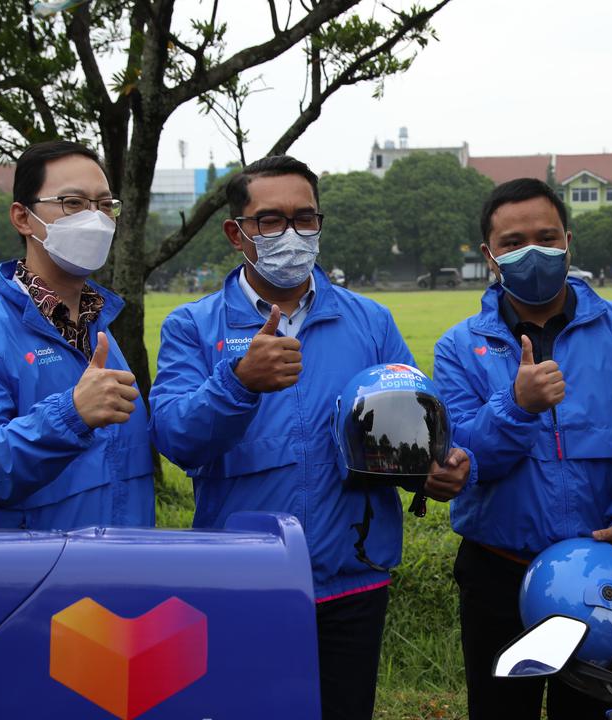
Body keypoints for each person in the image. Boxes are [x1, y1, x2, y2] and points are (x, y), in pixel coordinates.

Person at [148, 155, 471, 720]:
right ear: (236, 233)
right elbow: (176, 437)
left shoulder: (370, 322)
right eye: (270, 220)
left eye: (305, 218)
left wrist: (438, 469)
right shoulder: (193, 327)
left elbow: (415, 425)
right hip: (242, 583)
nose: (290, 234)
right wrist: (238, 382)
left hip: (351, 577)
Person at [432, 178, 612, 719]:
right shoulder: (459, 348)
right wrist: (516, 406)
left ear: (568, 241)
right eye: (513, 243)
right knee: (499, 710)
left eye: (546, 237)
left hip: (604, 573)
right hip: (499, 572)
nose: (532, 252)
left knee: (595, 713)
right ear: (491, 257)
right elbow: (465, 463)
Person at [0, 140, 153, 531]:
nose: (96, 218)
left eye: (105, 205)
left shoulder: (98, 321)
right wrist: (70, 415)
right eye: (73, 203)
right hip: (33, 575)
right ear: (23, 217)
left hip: (121, 566)